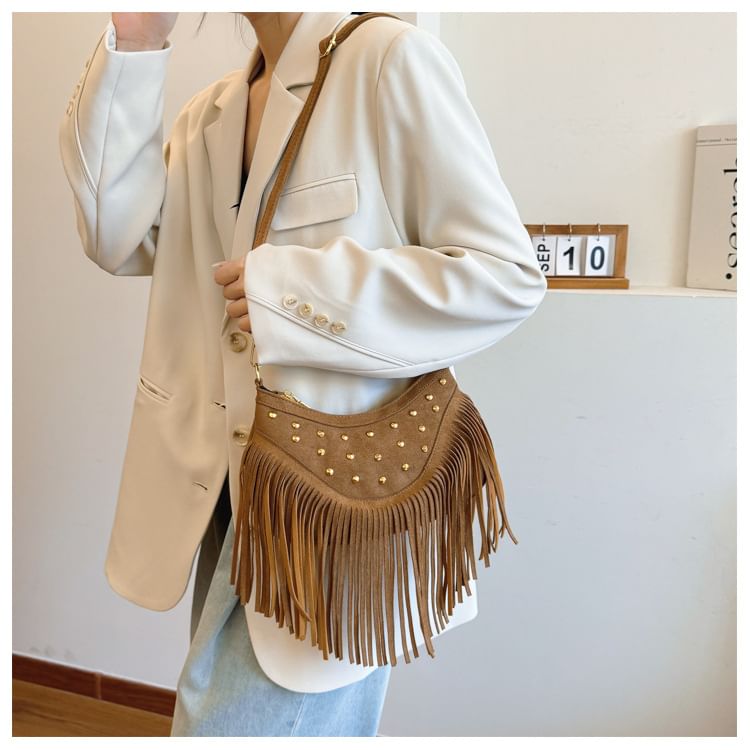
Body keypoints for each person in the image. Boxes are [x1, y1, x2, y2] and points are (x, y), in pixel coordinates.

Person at [58, 10, 547, 737]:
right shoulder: (210, 113)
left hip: (330, 500)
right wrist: (137, 40)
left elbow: (504, 276)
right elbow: (113, 238)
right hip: (222, 495)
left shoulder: (387, 59)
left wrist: (289, 293)